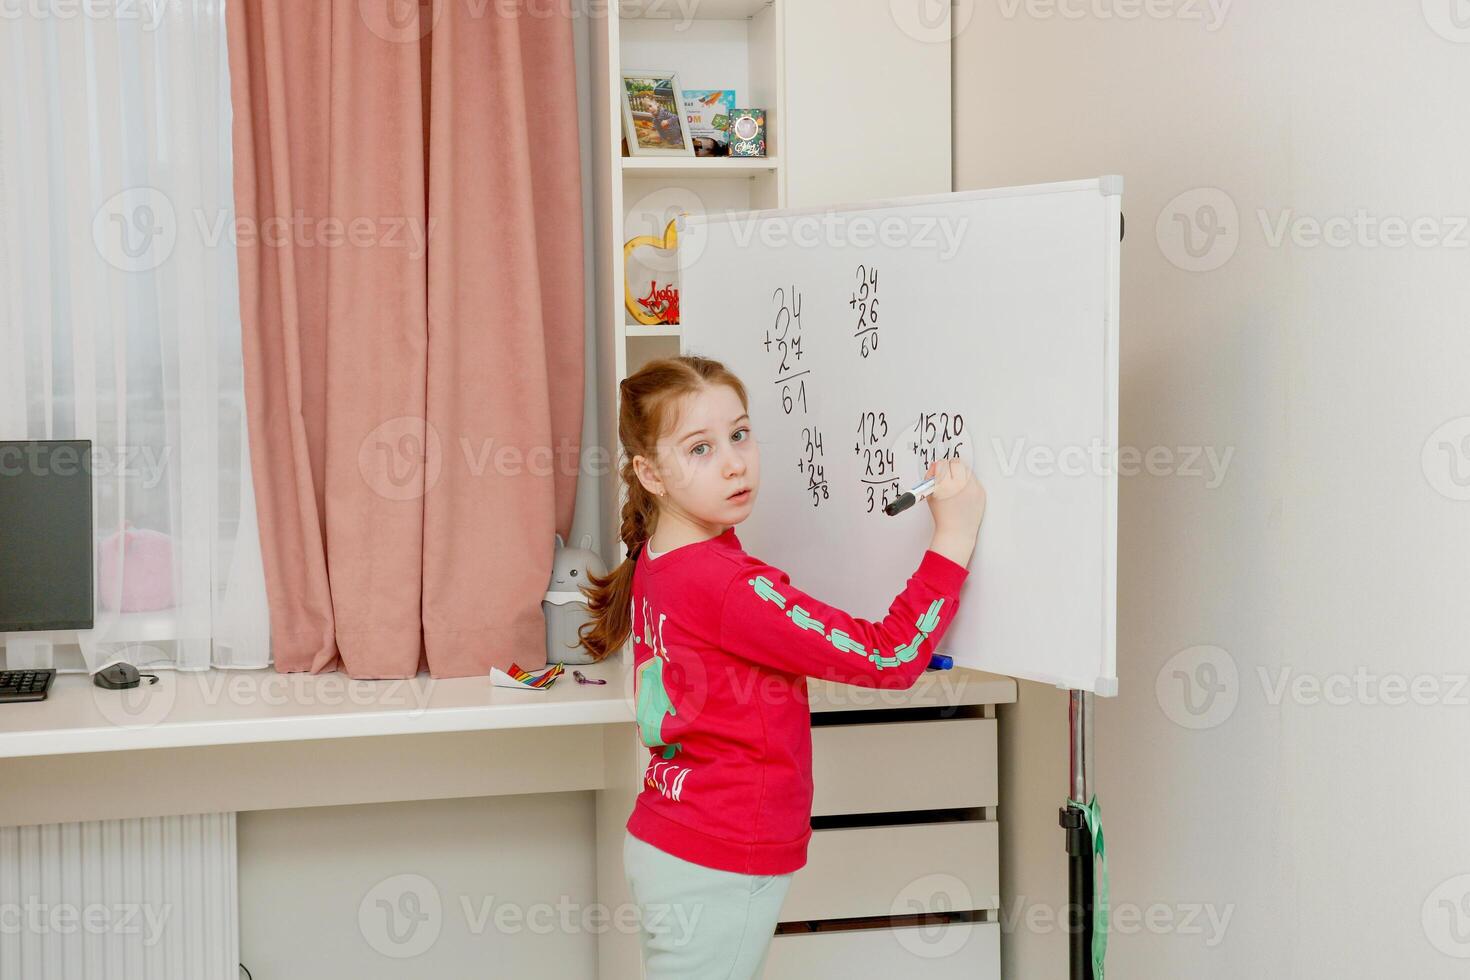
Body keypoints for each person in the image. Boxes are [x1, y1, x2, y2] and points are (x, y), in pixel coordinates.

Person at [578, 355, 987, 979]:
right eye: (700, 449)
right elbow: (891, 656)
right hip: (718, 854)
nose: (735, 461)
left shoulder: (662, 558)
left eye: (739, 434)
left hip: (675, 838)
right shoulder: (728, 586)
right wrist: (954, 535)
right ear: (650, 474)